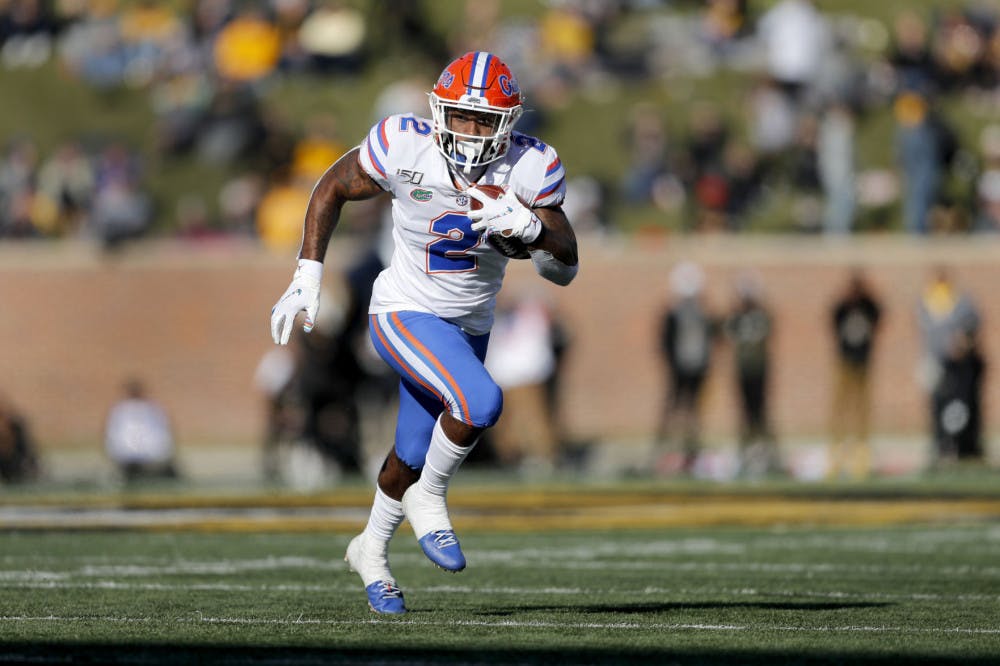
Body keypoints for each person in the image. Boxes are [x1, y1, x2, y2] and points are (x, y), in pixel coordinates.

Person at [269, 52, 578, 615]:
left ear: (507, 124)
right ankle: (429, 499)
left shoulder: (531, 166)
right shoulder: (403, 144)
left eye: (482, 120)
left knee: (410, 454)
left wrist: (532, 229)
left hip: (469, 323)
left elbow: (565, 268)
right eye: (459, 116)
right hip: (403, 310)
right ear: (438, 111)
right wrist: (307, 274)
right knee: (480, 402)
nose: (469, 131)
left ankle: (370, 550)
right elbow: (331, 186)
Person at [653, 261, 716, 473]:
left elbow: (710, 338)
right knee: (674, 408)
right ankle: (665, 451)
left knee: (692, 411)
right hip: (678, 369)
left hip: (697, 368)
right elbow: (665, 342)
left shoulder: (701, 313)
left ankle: (690, 452)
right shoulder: (674, 314)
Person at [828, 269, 882, 479]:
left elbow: (879, 315)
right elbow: (833, 318)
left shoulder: (868, 306)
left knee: (862, 406)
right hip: (845, 361)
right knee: (840, 405)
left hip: (863, 362)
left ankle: (861, 448)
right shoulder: (843, 307)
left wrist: (868, 294)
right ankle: (838, 447)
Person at [723, 272, 777, 477]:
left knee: (761, 414)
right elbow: (727, 332)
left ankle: (767, 453)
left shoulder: (760, 315)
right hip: (743, 371)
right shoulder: (737, 317)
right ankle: (746, 452)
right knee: (745, 414)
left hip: (758, 371)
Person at [104, 378, 178, 482]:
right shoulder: (120, 411)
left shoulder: (152, 409)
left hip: (149, 456)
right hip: (128, 457)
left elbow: (162, 433)